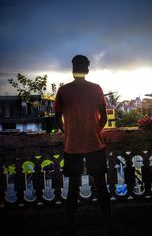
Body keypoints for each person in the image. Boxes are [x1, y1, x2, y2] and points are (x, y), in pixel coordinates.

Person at [54, 55, 117, 236]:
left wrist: (69, 133)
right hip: (94, 144)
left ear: (73, 69)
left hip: (72, 146)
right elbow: (103, 117)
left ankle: (71, 226)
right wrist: (95, 131)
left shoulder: (63, 90)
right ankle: (109, 224)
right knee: (101, 186)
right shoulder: (96, 89)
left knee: (72, 188)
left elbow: (57, 118)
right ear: (87, 69)